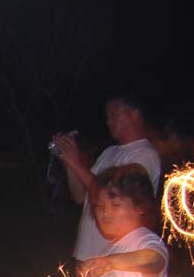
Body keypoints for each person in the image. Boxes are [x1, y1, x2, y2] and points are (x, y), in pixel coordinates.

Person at [52, 95, 161, 266]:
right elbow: (81, 196)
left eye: (114, 115)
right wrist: (69, 162)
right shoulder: (109, 152)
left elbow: (116, 195)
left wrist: (75, 162)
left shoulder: (145, 154)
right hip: (86, 252)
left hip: (113, 258)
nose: (108, 122)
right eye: (107, 116)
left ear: (135, 115)